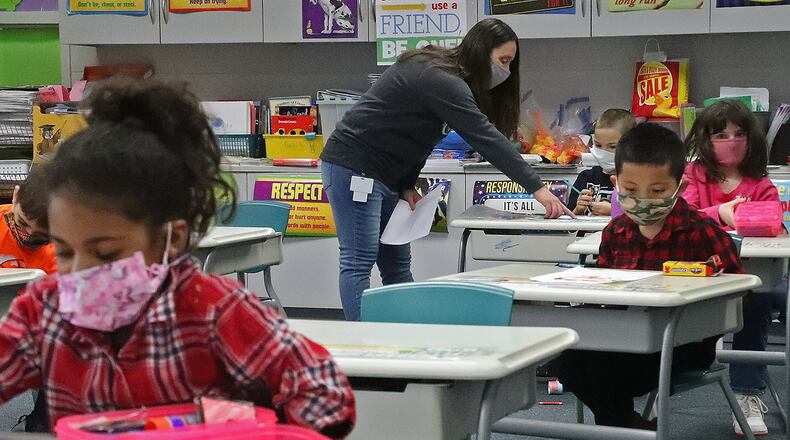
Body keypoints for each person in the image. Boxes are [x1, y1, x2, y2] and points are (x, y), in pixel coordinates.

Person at [0, 78, 355, 437]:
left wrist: (238, 426)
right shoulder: (45, 311)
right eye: (63, 250)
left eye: (106, 253)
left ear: (171, 238)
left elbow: (325, 394)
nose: (79, 272)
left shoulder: (215, 311)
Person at [320, 18, 572, 320]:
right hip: (354, 167)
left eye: (510, 63)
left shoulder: (451, 78)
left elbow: (418, 134)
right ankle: (362, 348)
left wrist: (408, 182)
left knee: (397, 264)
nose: (505, 70)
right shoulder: (441, 78)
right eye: (502, 60)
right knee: (359, 261)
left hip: (387, 174)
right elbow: (486, 138)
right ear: (481, 51)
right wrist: (537, 188)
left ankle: (403, 342)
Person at [551, 123, 743, 429]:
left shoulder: (701, 230)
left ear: (679, 188)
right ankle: (631, 428)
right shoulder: (616, 231)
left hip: (682, 343)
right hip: (624, 336)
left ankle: (621, 428)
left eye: (657, 191)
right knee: (567, 361)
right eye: (630, 190)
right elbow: (604, 283)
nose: (644, 200)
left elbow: (736, 284)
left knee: (603, 372)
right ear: (616, 184)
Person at [683, 99, 777, 435]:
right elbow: (680, 218)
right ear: (705, 139)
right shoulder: (694, 175)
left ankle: (747, 395)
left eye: (739, 134)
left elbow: (772, 224)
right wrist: (719, 215)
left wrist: (755, 222)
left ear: (751, 139)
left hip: (749, 275)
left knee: (756, 300)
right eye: (721, 134)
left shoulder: (760, 184)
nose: (731, 140)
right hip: (698, 274)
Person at [568, 109, 635, 216]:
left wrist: (615, 211)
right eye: (598, 145)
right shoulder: (586, 177)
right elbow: (567, 227)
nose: (603, 152)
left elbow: (647, 222)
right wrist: (578, 210)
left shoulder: (638, 181)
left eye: (612, 146)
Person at [0, 167, 56, 274]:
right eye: (22, 222)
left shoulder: (62, 254)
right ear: (16, 195)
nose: (28, 235)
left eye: (41, 234)